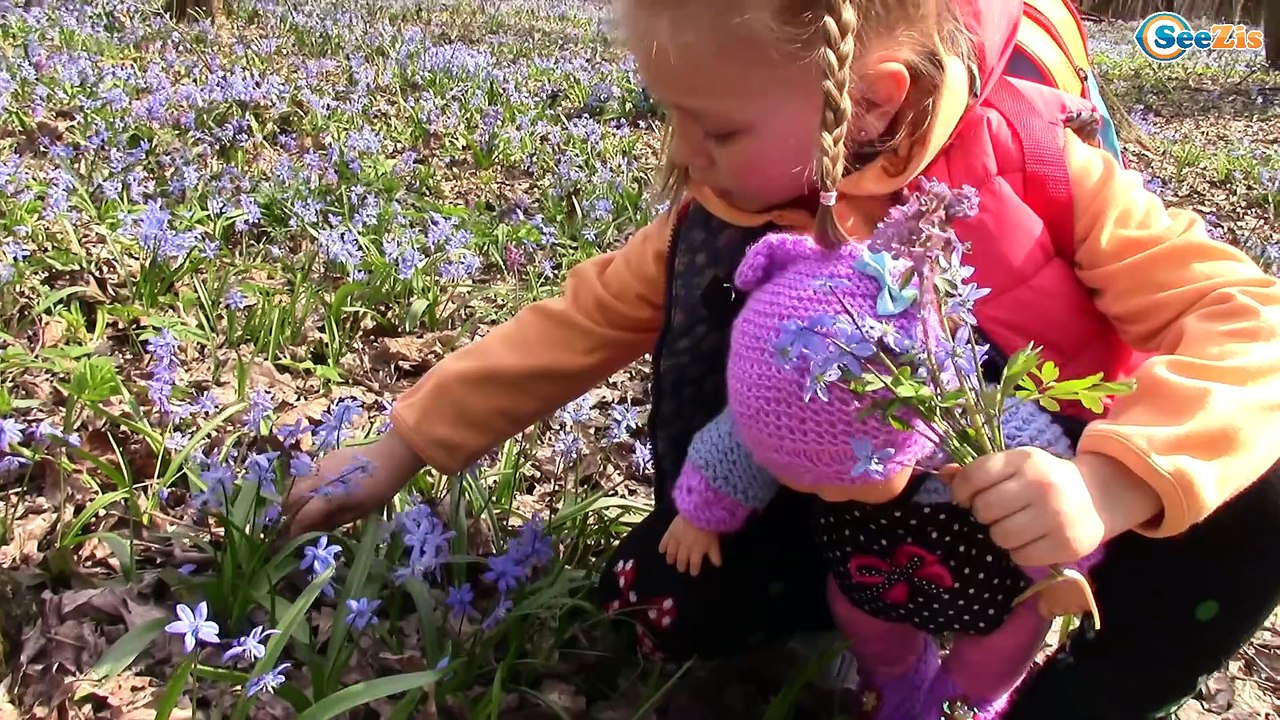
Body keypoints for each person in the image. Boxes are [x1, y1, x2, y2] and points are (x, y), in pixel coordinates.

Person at [282, 0, 1280, 717]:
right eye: (667, 112)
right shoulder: (726, 217)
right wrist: (405, 442)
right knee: (679, 581)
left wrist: (1110, 483)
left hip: (1043, 508)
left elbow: (1250, 323)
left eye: (712, 125)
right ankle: (824, 638)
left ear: (872, 99)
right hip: (834, 510)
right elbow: (571, 325)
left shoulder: (1041, 171)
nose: (680, 152)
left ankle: (1055, 699)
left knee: (1259, 496)